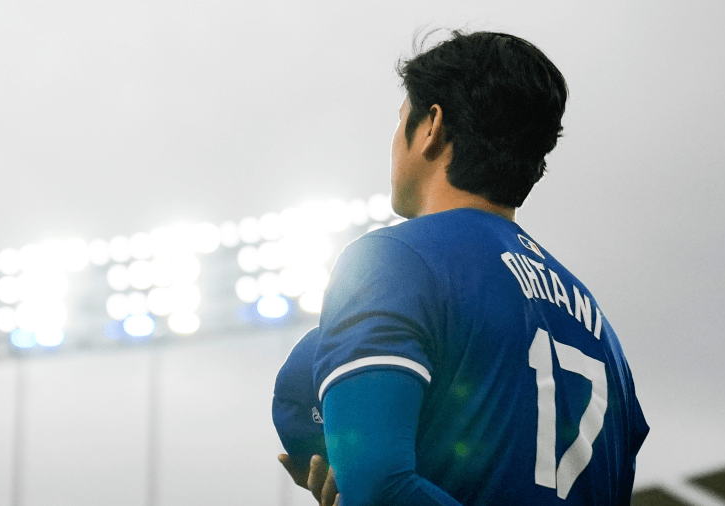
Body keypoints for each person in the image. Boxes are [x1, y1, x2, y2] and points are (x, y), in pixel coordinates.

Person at [274, 29, 649, 506]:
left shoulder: (394, 259)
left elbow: (379, 485)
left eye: (400, 121)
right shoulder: (603, 335)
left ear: (431, 125)